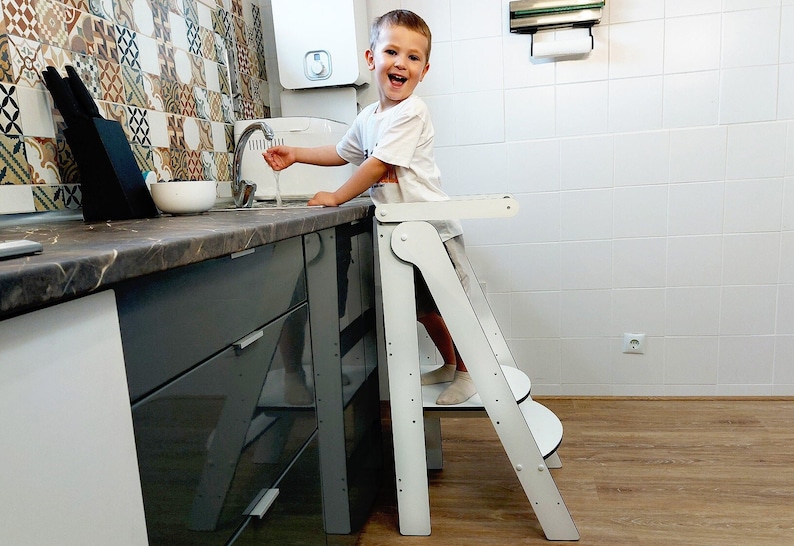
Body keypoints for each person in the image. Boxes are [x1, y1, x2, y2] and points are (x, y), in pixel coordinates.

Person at [263, 9, 475, 405]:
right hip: (408, 234)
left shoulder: (411, 112)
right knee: (424, 308)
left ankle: (468, 372)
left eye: (413, 58)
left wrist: (337, 196)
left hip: (433, 230)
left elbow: (378, 164)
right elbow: (342, 152)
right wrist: (296, 153)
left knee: (447, 304)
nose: (401, 63)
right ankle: (449, 363)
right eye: (392, 51)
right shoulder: (368, 117)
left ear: (424, 71)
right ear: (371, 59)